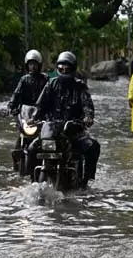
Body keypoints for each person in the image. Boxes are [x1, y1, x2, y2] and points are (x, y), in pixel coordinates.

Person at [30, 51, 100, 188]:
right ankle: (32, 180)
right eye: (61, 69)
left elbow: (87, 105)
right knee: (32, 148)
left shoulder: (80, 86)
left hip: (73, 132)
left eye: (67, 69)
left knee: (93, 147)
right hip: (51, 131)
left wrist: (88, 117)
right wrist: (33, 118)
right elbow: (40, 105)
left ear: (73, 69)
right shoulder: (51, 84)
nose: (64, 71)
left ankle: (85, 182)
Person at [8, 49, 49, 170]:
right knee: (18, 143)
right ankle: (16, 165)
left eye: (35, 64)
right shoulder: (24, 80)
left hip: (40, 114)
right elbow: (16, 94)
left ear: (39, 65)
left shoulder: (45, 79)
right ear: (27, 65)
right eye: (30, 64)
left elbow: (50, 96)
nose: (33, 67)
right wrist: (11, 106)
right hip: (26, 114)